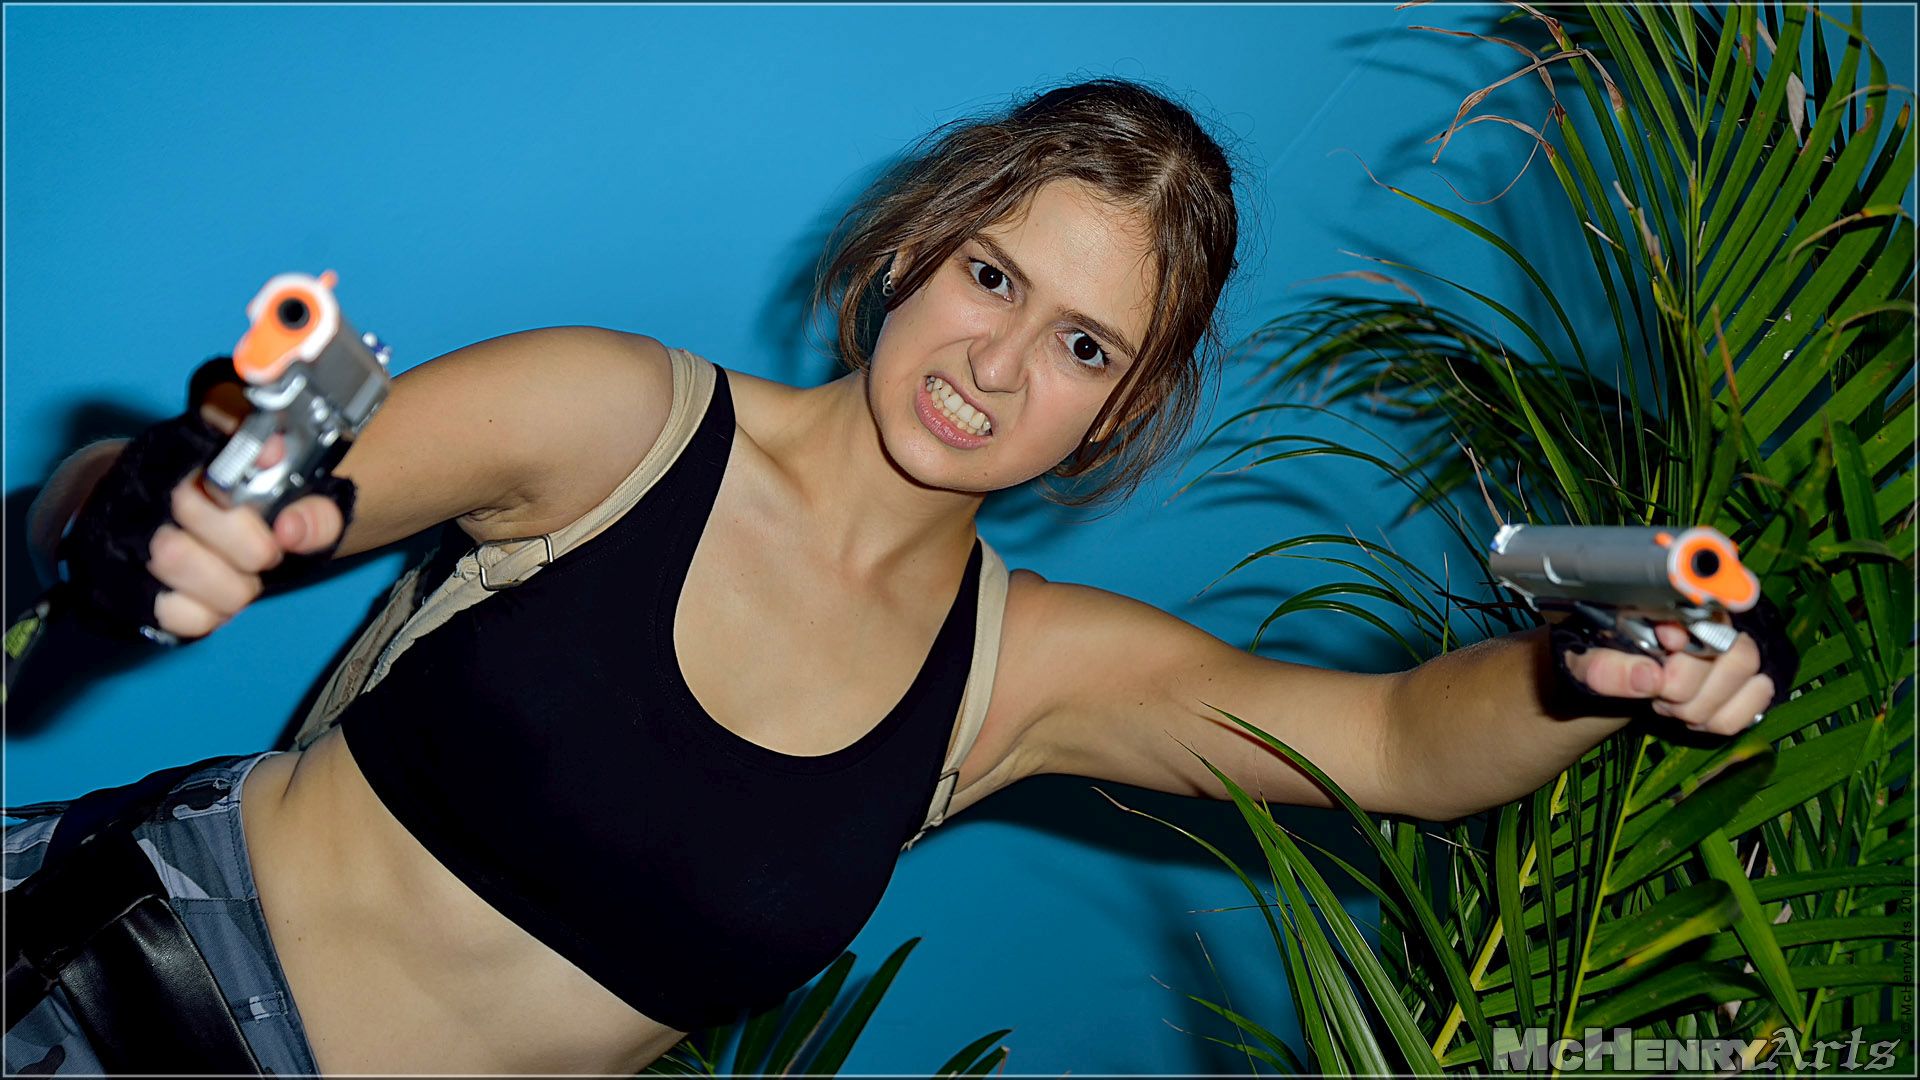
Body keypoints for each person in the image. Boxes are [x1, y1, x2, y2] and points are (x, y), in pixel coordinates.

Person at [5, 79, 1787, 1075]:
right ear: (919, 247)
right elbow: (237, 488)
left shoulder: (1026, 675)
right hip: (105, 989)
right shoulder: (615, 419)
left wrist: (1594, 673)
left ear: (1120, 412)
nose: (998, 367)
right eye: (994, 277)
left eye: (1084, 347)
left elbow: (1398, 746)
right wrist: (138, 503)